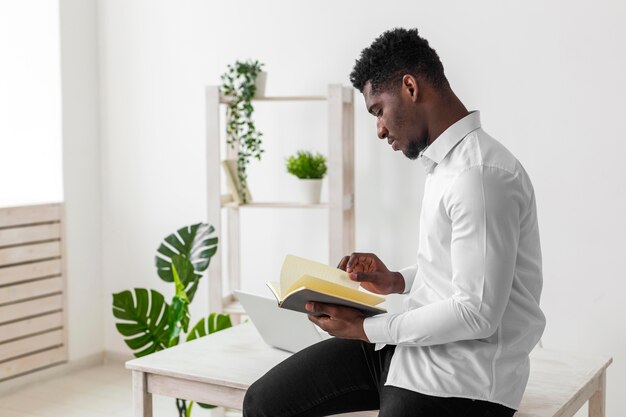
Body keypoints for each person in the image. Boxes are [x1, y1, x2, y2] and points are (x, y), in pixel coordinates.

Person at [242, 27, 546, 417]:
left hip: (463, 379)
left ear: (409, 87)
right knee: (263, 402)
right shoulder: (447, 167)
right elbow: (463, 270)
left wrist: (365, 329)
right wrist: (395, 281)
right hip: (410, 351)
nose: (381, 129)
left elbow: (477, 312)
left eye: (378, 110)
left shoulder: (481, 175)